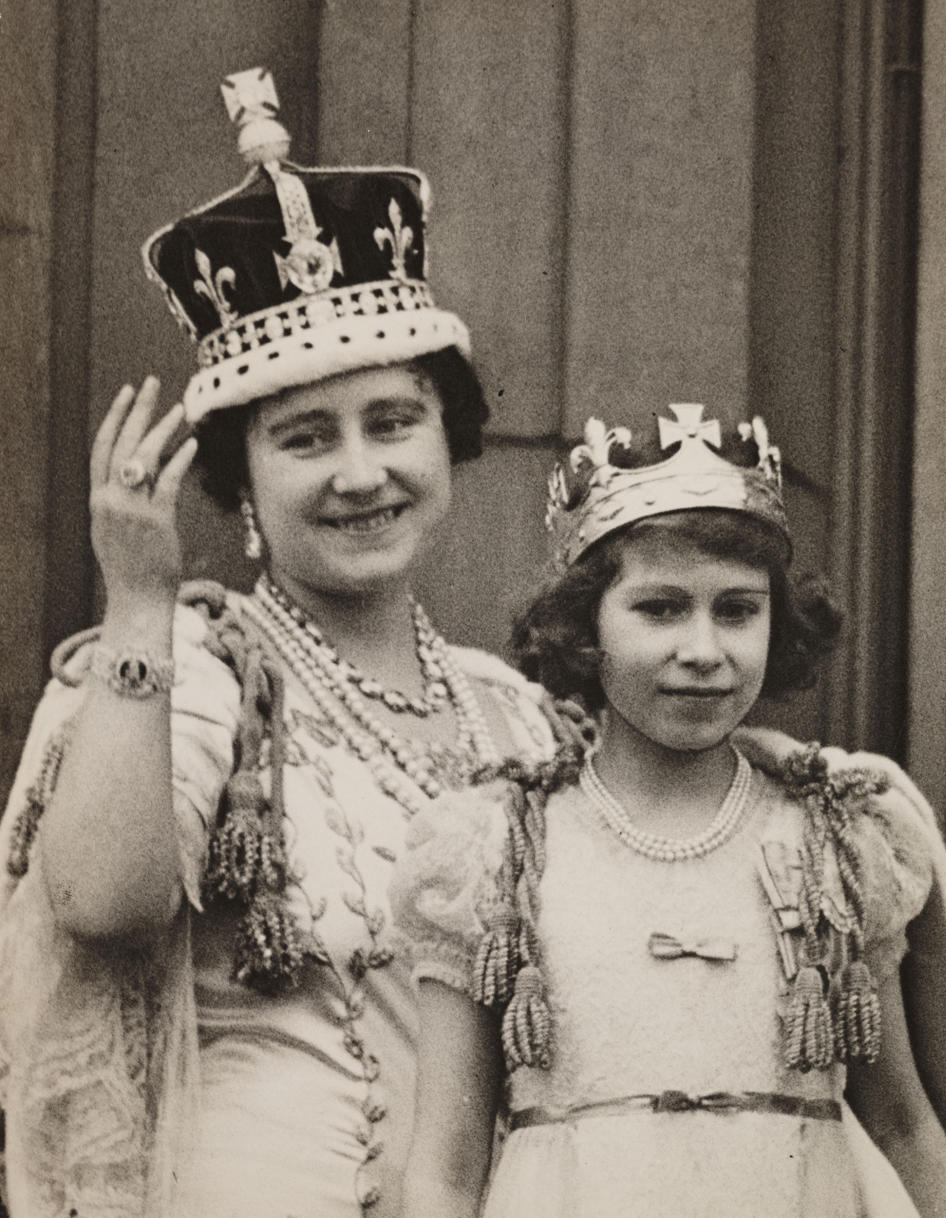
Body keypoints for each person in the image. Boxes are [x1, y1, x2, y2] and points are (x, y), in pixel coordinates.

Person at [0, 68, 563, 1218]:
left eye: (394, 422)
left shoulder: (513, 712)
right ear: (242, 484)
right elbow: (103, 906)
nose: (363, 473)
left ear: (446, 445)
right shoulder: (196, 672)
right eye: (307, 438)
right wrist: (141, 604)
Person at [390, 406, 946, 1216]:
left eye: (737, 610)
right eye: (659, 609)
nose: (703, 649)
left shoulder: (836, 835)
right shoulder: (496, 848)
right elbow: (444, 1168)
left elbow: (903, 1125)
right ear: (585, 626)